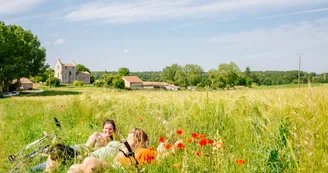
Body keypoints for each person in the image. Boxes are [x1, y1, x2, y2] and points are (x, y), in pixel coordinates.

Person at [31, 119, 117, 172]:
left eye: (110, 129)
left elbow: (125, 143)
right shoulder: (97, 134)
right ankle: (31, 170)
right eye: (106, 128)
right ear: (103, 128)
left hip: (81, 156)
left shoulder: (111, 142)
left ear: (113, 130)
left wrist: (118, 133)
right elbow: (87, 147)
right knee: (55, 155)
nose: (108, 131)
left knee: (58, 161)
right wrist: (85, 154)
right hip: (79, 150)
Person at [67, 128, 157, 173]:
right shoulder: (122, 146)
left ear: (138, 138)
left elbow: (157, 155)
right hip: (112, 165)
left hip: (119, 169)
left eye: (132, 133)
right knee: (74, 168)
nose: (129, 133)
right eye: (130, 132)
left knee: (90, 161)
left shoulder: (142, 151)